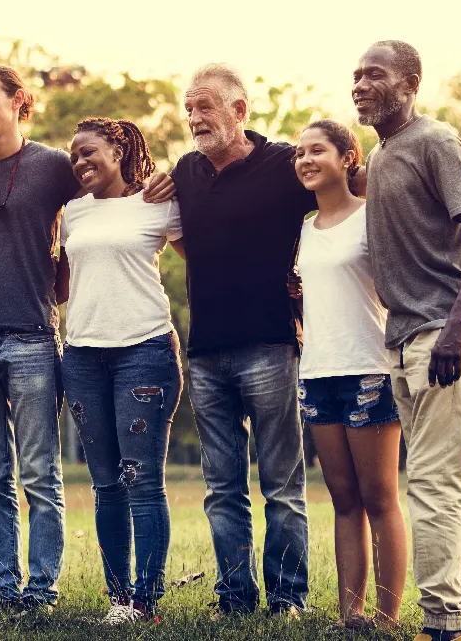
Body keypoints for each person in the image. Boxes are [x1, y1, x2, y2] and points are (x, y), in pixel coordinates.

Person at [0, 64, 174, 616]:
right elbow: (63, 260)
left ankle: (50, 592)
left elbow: (122, 201)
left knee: (42, 474)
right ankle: (7, 591)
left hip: (44, 337)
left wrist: (164, 181)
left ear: (18, 101)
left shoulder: (54, 168)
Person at [355, 40, 461, 641]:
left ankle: (438, 624)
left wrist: (456, 327)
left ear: (410, 82)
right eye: (356, 75)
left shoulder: (434, 140)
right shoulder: (381, 155)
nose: (361, 84)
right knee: (446, 480)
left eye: (375, 74)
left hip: (445, 334)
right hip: (405, 335)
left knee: (432, 482)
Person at [172, 64, 315, 617]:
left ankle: (287, 598)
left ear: (240, 110)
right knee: (222, 488)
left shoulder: (285, 163)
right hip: (206, 350)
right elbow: (187, 242)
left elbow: (345, 201)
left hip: (271, 344)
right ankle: (234, 597)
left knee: (282, 486)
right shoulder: (184, 172)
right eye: (189, 109)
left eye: (205, 107)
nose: (194, 118)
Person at [55, 118, 184, 625]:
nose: (81, 162)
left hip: (144, 351)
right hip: (83, 355)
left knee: (142, 481)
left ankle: (146, 603)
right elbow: (62, 283)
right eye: (74, 156)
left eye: (90, 152)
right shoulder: (72, 214)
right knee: (106, 484)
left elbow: (209, 257)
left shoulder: (159, 202)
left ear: (119, 148)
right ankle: (119, 602)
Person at [293, 120, 405, 630]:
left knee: (379, 497)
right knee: (343, 499)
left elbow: (401, 279)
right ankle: (350, 615)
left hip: (369, 368)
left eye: (318, 150)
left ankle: (385, 617)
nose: (306, 160)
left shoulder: (371, 217)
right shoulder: (302, 229)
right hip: (317, 372)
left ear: (347, 158)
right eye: (299, 153)